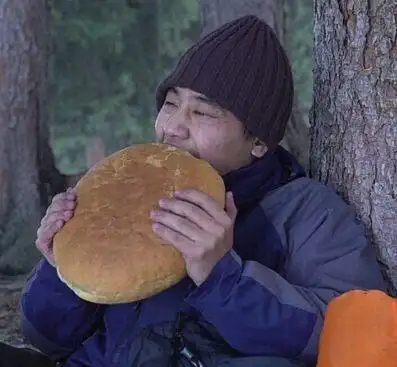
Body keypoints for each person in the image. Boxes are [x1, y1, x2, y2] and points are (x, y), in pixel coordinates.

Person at [0, 15, 388, 367]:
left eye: (202, 112)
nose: (174, 127)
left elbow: (347, 337)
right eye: (170, 104)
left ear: (257, 141)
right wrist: (62, 268)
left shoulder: (306, 211)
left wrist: (221, 275)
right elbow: (46, 340)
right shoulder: (126, 190)